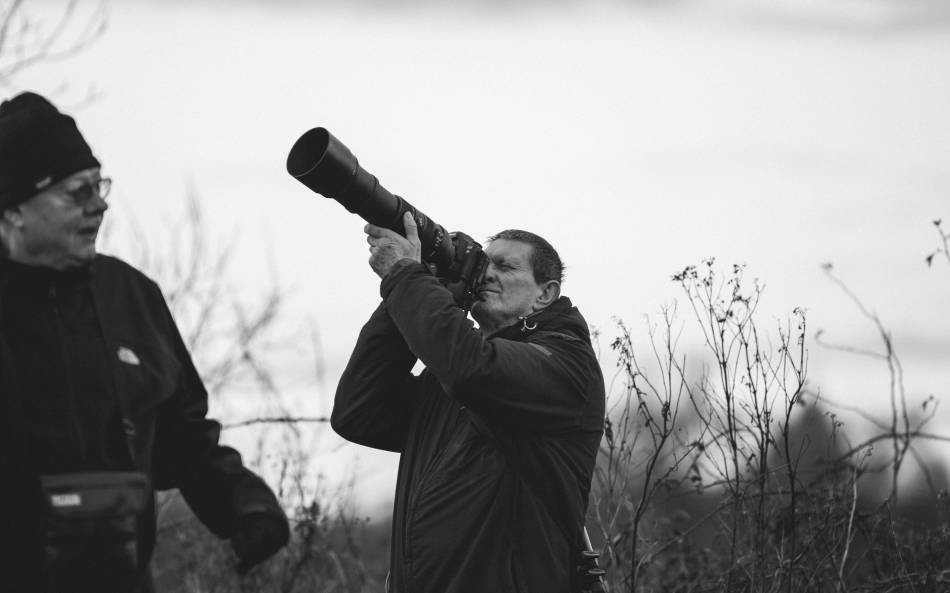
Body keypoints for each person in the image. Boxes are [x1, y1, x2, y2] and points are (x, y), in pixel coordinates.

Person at [0, 91, 290, 592]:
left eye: (100, 186)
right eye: (77, 193)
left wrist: (244, 505)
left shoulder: (130, 297)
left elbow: (182, 437)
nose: (100, 206)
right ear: (14, 211)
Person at [332, 211, 606, 593]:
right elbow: (358, 411)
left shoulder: (565, 365)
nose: (487, 274)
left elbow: (472, 369)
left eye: (506, 266)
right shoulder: (452, 379)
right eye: (484, 263)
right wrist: (422, 287)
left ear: (545, 293)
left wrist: (406, 278)